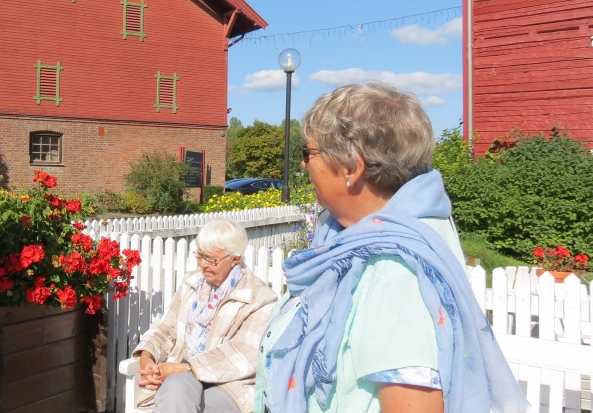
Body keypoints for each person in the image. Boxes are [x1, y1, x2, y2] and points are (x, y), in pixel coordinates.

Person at [256, 83, 527, 413]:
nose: (302, 165)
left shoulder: (398, 269)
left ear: (352, 168)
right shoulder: (368, 235)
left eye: (308, 154)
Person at [131, 218, 278, 413]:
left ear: (235, 258)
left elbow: (243, 355)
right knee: (176, 388)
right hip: (182, 376)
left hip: (231, 385)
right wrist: (147, 358)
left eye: (211, 259)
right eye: (199, 256)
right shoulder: (191, 283)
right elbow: (166, 328)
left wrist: (187, 368)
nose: (202, 264)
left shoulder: (260, 298)